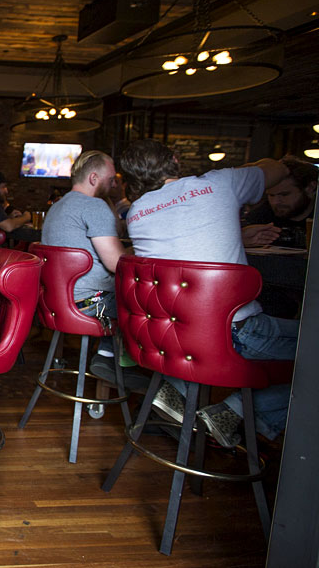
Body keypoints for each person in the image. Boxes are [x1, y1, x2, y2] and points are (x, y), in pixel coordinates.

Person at [119, 138, 297, 448]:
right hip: (233, 334)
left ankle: (176, 388)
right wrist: (251, 169)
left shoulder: (136, 212)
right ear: (175, 159)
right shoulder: (221, 183)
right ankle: (234, 410)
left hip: (170, 336)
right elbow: (276, 170)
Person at [40, 150, 144, 388]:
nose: (114, 184)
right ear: (94, 178)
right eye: (111, 179)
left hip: (56, 302)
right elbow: (116, 263)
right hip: (92, 304)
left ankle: (109, 355)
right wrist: (140, 251)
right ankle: (119, 362)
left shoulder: (57, 206)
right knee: (148, 299)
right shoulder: (94, 206)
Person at [241, 156, 317, 248]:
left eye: (284, 194)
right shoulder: (259, 218)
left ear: (310, 188)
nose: (275, 202)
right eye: (271, 195)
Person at [0, 170, 33, 235]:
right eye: (3, 187)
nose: (6, 191)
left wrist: (8, 218)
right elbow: (8, 227)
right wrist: (26, 217)